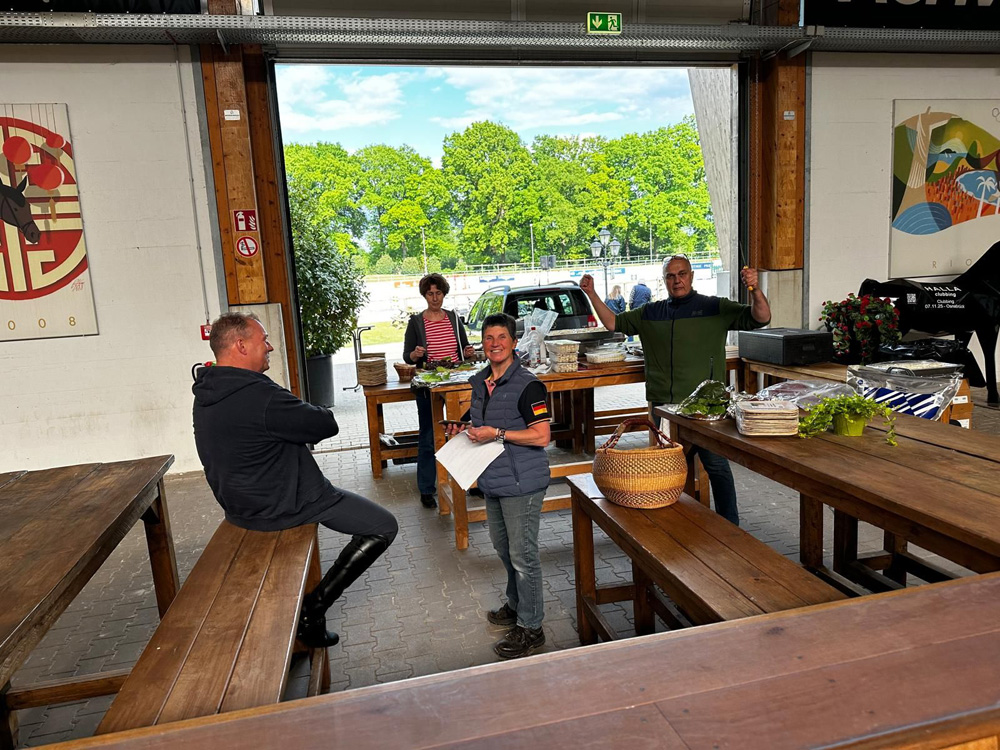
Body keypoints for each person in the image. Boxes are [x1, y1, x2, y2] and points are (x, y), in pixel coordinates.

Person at [193, 312, 398, 649]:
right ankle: (311, 612)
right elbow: (325, 424)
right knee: (383, 526)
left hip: (239, 507)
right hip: (282, 505)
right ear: (241, 346)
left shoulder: (207, 388)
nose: (270, 346)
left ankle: (304, 614)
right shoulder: (258, 394)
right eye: (263, 340)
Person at [580, 257, 771, 526]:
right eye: (670, 276)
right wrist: (591, 293)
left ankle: (730, 524)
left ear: (691, 276)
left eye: (681, 274)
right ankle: (674, 526)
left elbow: (761, 317)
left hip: (705, 408)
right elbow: (613, 323)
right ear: (664, 280)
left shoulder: (714, 307)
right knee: (667, 469)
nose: (677, 280)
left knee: (716, 466)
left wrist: (756, 290)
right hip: (665, 407)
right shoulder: (650, 312)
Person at [446, 313, 551, 659]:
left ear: (514, 343)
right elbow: (483, 422)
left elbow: (541, 436)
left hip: (523, 482)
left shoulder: (528, 385)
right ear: (482, 344)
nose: (495, 344)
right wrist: (465, 429)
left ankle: (531, 627)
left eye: (502, 337)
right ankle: (517, 605)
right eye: (489, 338)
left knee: (523, 556)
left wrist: (497, 433)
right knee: (504, 549)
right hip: (493, 479)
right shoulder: (480, 382)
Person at [403, 273, 475, 509]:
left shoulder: (453, 318)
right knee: (428, 435)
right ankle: (427, 488)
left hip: (456, 382)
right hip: (429, 384)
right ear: (424, 296)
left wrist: (469, 352)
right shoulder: (416, 322)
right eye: (430, 294)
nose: (435, 298)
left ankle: (472, 482)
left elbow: (464, 349)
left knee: (465, 430)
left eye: (438, 293)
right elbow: (407, 356)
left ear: (444, 294)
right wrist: (415, 355)